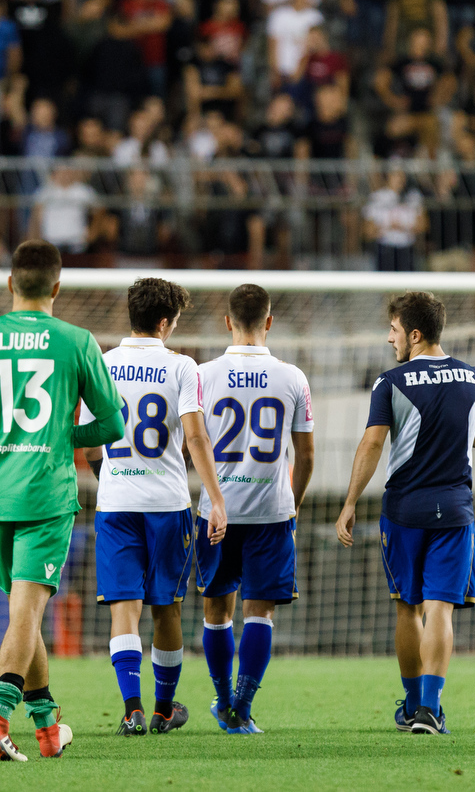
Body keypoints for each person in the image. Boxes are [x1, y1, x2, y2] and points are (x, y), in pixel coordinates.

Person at [0, 240, 123, 762]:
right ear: (58, 288)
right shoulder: (77, 341)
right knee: (25, 613)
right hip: (46, 493)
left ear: (9, 285)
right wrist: (66, 438)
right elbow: (112, 423)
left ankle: (47, 729)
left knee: (25, 613)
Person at [335, 291, 475, 735]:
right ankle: (431, 709)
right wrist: (456, 439)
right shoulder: (474, 378)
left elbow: (373, 443)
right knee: (441, 611)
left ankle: (411, 705)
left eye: (393, 330)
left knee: (407, 609)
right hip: (454, 509)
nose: (389, 338)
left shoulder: (391, 381)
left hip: (404, 509)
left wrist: (350, 501)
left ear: (414, 333)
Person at [80, 277, 229, 735]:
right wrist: (216, 499)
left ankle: (132, 709)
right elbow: (198, 436)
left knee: (123, 606)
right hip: (167, 502)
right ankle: (165, 709)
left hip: (117, 502)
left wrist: (113, 480)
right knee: (166, 607)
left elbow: (86, 441)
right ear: (164, 322)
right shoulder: (183, 366)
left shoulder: (101, 363)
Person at [195, 283, 315, 734]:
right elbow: (306, 455)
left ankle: (223, 699)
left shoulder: (203, 375)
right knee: (259, 613)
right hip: (271, 511)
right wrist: (294, 505)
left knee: (216, 611)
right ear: (269, 321)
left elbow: (193, 441)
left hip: (217, 511)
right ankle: (241, 709)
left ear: (228, 322)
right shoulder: (293, 378)